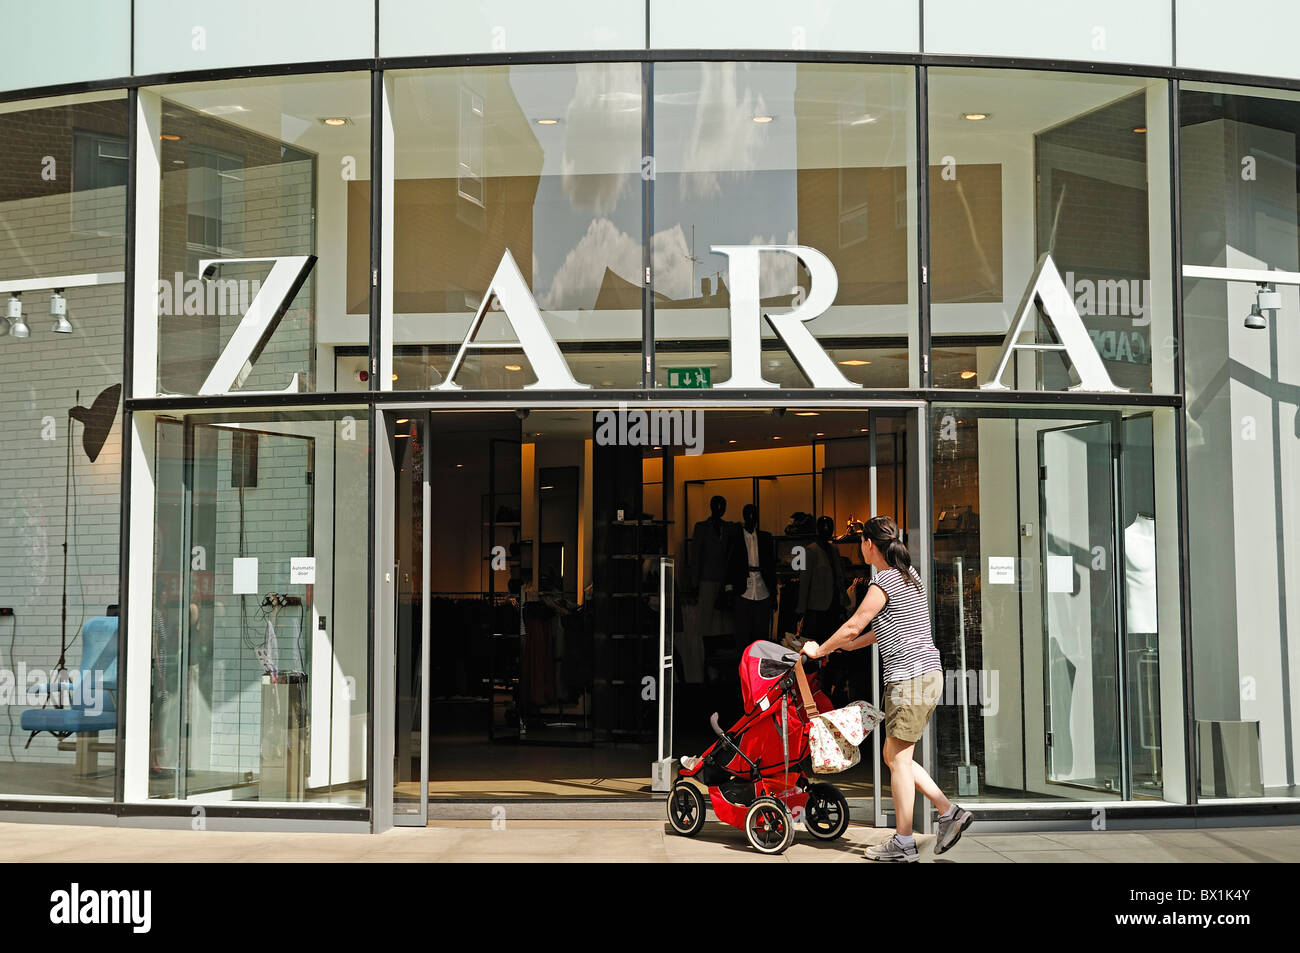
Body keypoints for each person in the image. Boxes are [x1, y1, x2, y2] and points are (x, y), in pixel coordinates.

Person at [801, 516, 974, 861]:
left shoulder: (883, 583)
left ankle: (905, 842)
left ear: (868, 544)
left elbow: (852, 624)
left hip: (910, 680)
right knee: (897, 757)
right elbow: (889, 628)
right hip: (926, 676)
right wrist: (848, 645)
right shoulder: (910, 578)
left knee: (895, 758)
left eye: (861, 541)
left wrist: (819, 649)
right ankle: (947, 812)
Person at [726, 503, 776, 652]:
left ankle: (759, 670)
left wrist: (773, 593)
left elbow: (771, 566)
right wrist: (728, 589)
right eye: (748, 515)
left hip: (763, 589)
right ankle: (743, 670)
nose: (751, 518)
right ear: (743, 517)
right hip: (743, 589)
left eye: (754, 515)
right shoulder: (735, 536)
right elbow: (729, 563)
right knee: (743, 635)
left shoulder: (765, 537)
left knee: (761, 635)